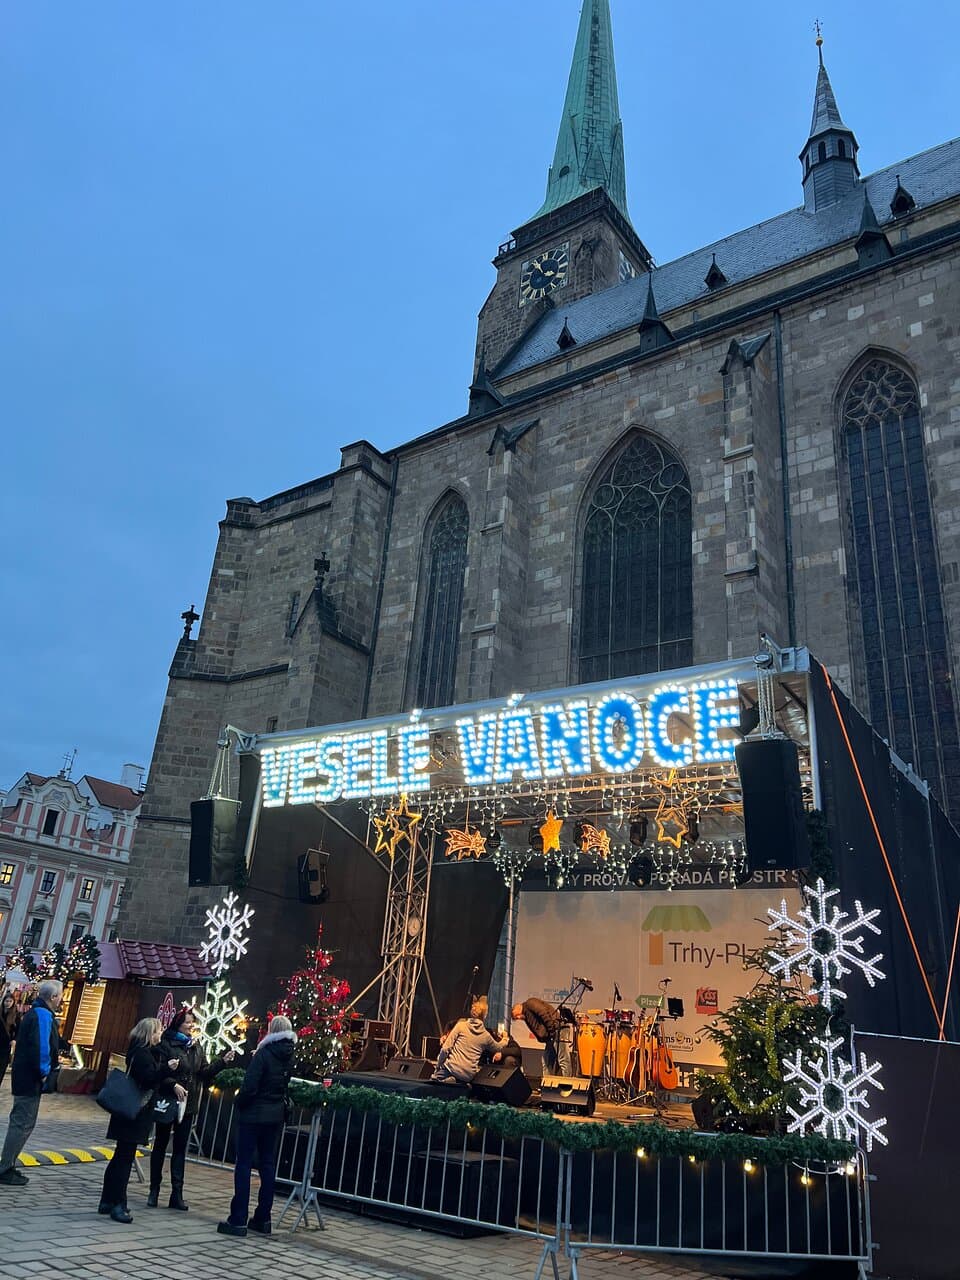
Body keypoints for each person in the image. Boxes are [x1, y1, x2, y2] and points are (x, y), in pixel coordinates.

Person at [149, 1006, 235, 1211]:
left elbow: (203, 1072)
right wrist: (172, 1084)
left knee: (180, 1149)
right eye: (187, 1022)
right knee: (160, 1144)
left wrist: (222, 1062)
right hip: (168, 1101)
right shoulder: (166, 1044)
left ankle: (176, 1194)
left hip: (188, 1104)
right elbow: (159, 1071)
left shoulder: (196, 1046)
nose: (191, 1026)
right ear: (178, 1024)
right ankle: (154, 1189)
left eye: (192, 1023)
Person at [217, 1014, 296, 1238]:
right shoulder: (288, 1055)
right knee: (268, 1164)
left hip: (254, 1114)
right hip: (275, 1115)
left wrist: (239, 1102)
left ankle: (238, 1218)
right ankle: (263, 1217)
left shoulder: (263, 1054)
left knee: (243, 1163)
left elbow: (250, 1085)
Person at [99, 1018, 184, 1224]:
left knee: (120, 1156)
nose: (160, 1034)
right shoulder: (142, 1054)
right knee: (125, 1158)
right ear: (149, 1033)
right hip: (134, 1112)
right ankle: (118, 1203)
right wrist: (167, 1069)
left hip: (129, 1112)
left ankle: (108, 1200)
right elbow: (148, 1078)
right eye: (158, 1031)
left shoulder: (142, 1051)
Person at [0, 979, 64, 1187]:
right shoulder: (42, 1015)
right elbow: (42, 1047)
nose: (61, 999)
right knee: (22, 1123)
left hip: (24, 1075)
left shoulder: (35, 1012)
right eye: (60, 995)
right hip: (30, 1078)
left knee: (22, 1122)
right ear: (53, 997)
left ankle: (8, 1164)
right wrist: (45, 1073)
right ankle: (5, 1167)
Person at [431, 996, 502, 1084]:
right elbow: (498, 1047)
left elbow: (445, 1049)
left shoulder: (461, 1026)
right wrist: (505, 1038)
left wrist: (438, 1067)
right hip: (467, 1076)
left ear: (471, 1012)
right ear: (485, 1015)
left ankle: (450, 1081)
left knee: (431, 1084)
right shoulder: (486, 1036)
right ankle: (456, 1082)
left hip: (451, 1069)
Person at [512, 997, 573, 1076]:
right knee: (546, 1061)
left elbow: (543, 1013)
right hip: (551, 1034)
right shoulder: (526, 1015)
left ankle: (567, 1082)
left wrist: (551, 1030)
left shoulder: (530, 1003)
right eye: (516, 1018)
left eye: (516, 1015)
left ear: (517, 1007)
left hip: (558, 1029)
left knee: (563, 1058)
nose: (518, 1018)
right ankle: (547, 1082)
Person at [0, 988, 21, 1088]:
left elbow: (18, 1030)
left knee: (1, 1067)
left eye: (10, 1001)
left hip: (6, 1044)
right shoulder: (0, 1013)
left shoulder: (15, 1015)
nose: (8, 1003)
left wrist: (14, 1040)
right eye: (6, 1001)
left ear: (13, 1002)